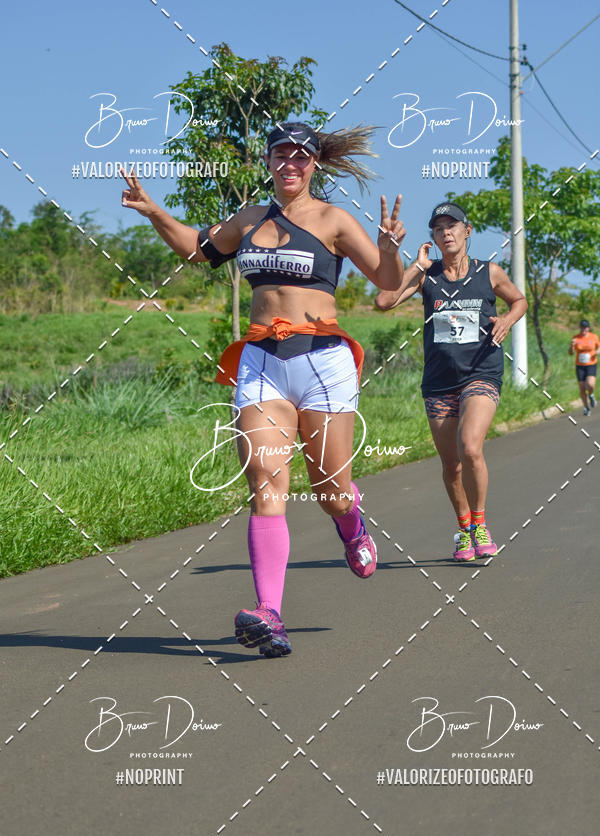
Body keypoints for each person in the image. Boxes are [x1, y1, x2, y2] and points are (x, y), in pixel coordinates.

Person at [121, 121, 406, 657]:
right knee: (264, 479)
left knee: (331, 490)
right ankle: (269, 614)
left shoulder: (334, 220)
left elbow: (387, 286)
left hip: (322, 361)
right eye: (282, 154)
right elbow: (199, 250)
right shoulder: (250, 219)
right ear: (269, 161)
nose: (291, 164)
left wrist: (389, 248)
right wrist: (155, 209)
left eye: (302, 155)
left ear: (315, 163)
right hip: (260, 362)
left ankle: (352, 525)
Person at [376, 201, 527, 562]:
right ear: (433, 238)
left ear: (467, 231)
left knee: (470, 447)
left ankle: (480, 523)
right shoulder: (428, 277)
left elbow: (519, 300)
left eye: (452, 226)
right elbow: (384, 301)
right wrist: (416, 266)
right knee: (451, 465)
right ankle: (463, 531)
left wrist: (507, 319)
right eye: (438, 228)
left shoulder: (488, 272)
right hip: (439, 382)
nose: (446, 232)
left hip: (481, 373)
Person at [569, 319, 599, 416]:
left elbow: (599, 347)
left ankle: (591, 395)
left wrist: (596, 352)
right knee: (582, 388)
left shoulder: (593, 337)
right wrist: (572, 346)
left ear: (588, 328)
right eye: (582, 327)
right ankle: (586, 407)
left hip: (591, 364)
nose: (583, 329)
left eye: (585, 327)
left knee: (590, 385)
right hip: (580, 366)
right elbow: (570, 353)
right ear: (580, 328)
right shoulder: (576, 338)